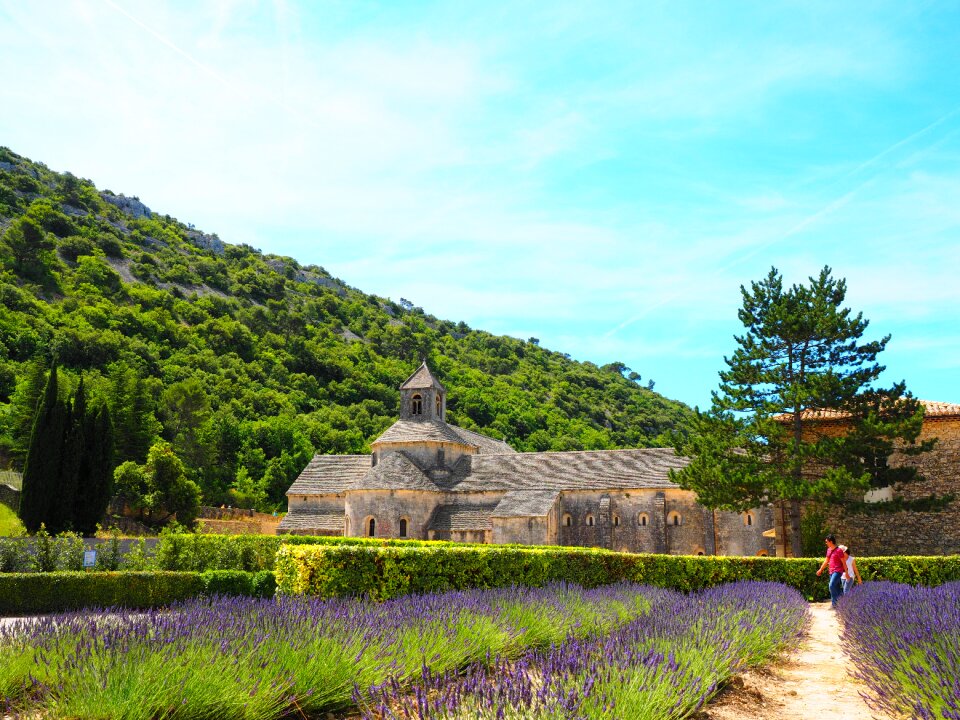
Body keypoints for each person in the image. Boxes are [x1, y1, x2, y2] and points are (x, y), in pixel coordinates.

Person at [815, 534, 847, 608]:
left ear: (831, 541)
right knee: (836, 588)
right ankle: (843, 602)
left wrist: (847, 573)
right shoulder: (829, 550)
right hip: (831, 571)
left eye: (827, 542)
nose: (826, 543)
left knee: (831, 585)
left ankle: (834, 604)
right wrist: (820, 569)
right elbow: (826, 561)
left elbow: (843, 562)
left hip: (838, 571)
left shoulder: (839, 551)